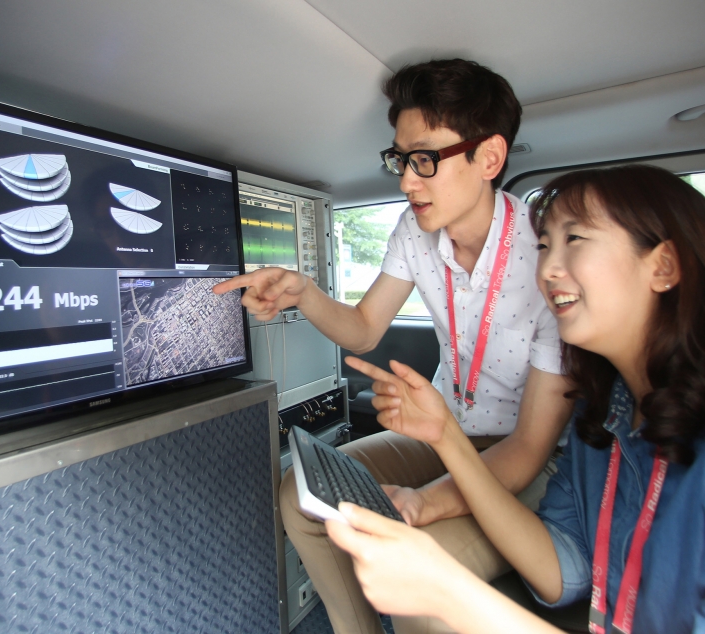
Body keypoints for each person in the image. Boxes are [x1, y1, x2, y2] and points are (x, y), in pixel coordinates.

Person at [214, 59, 574, 633]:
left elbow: (530, 447)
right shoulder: (415, 230)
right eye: (401, 160)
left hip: (519, 459)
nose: (407, 181)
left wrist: (425, 501)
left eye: (425, 159)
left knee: (417, 574)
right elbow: (364, 328)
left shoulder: (550, 261)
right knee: (302, 496)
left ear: (489, 158)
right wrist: (304, 292)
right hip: (440, 431)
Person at [332, 164, 705, 632]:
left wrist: (448, 594)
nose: (548, 270)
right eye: (544, 245)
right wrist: (447, 436)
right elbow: (563, 571)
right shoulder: (605, 409)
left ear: (663, 267)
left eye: (575, 239)